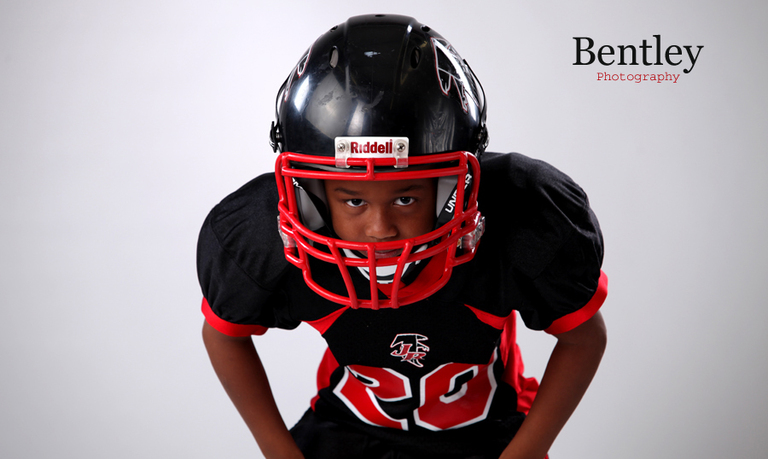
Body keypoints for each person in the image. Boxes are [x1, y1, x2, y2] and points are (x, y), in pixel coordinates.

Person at [198, 14, 607, 459]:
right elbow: (223, 334)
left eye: (406, 199)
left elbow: (584, 338)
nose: (379, 229)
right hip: (347, 430)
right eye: (354, 201)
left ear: (455, 190)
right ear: (310, 195)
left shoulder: (519, 218)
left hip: (487, 432)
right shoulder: (264, 237)